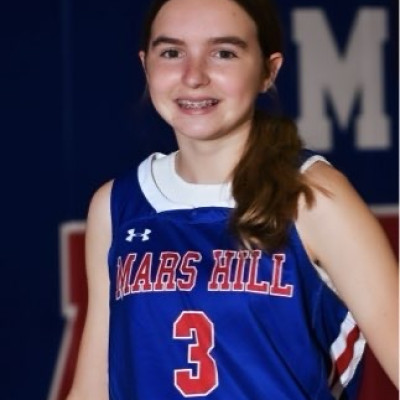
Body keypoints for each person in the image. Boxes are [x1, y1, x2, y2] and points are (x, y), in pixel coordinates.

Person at [67, 0, 398, 398]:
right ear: (145, 65)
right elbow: (94, 389)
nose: (194, 76)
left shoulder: (312, 197)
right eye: (171, 52)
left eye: (223, 53)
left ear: (268, 72)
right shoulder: (117, 206)